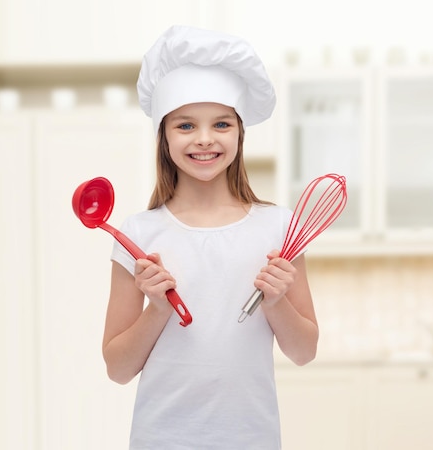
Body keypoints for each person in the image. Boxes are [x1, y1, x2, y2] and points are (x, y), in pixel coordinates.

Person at [102, 25, 318, 449]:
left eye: (221, 123)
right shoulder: (138, 234)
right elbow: (118, 368)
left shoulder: (280, 229)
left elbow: (304, 351)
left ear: (240, 132)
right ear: (163, 136)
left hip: (252, 439)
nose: (204, 138)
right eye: (185, 125)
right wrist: (158, 309)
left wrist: (275, 302)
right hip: (161, 438)